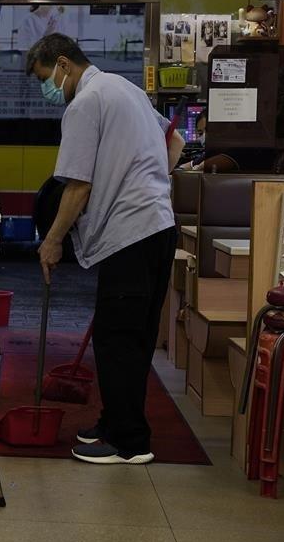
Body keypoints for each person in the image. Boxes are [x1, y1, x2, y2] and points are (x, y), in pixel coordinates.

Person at [27, 34, 184, 465]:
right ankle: (115, 424)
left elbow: (77, 185)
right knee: (136, 336)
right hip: (158, 227)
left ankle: (130, 443)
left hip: (129, 234)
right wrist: (146, 185)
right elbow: (175, 143)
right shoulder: (124, 88)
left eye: (47, 78)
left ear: (62, 63)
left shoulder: (84, 103)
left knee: (117, 340)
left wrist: (53, 241)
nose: (50, 88)